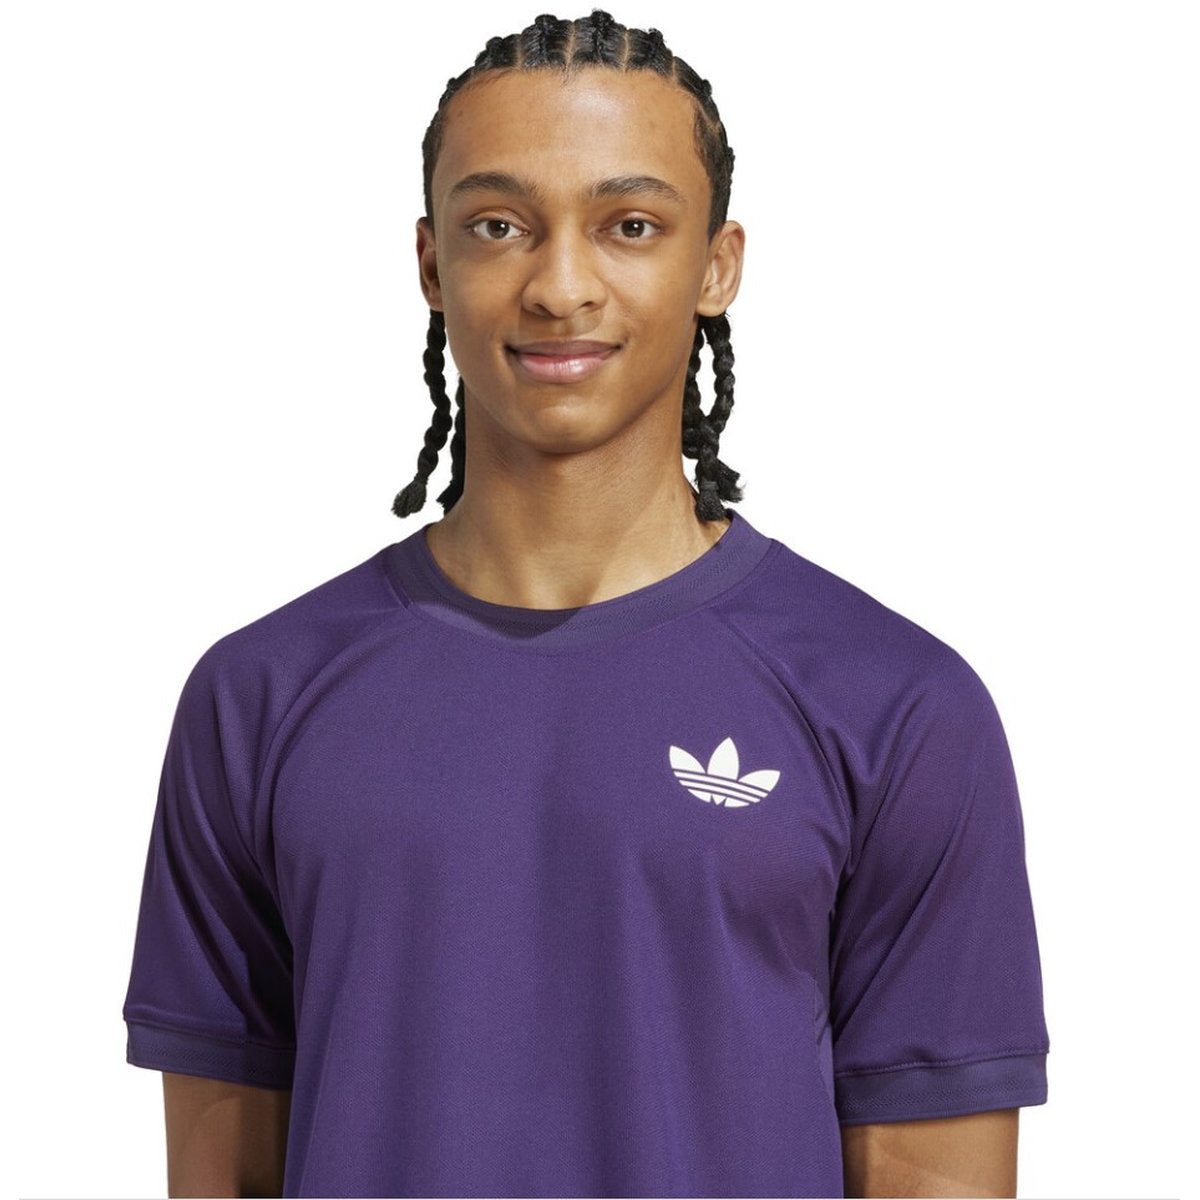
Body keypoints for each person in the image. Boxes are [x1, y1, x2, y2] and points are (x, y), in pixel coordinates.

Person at [122, 11, 1049, 1197]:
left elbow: (936, 1173)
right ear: (430, 264)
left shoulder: (895, 706)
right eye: (499, 226)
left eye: (630, 226)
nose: (561, 287)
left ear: (716, 265)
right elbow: (221, 1175)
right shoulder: (257, 697)